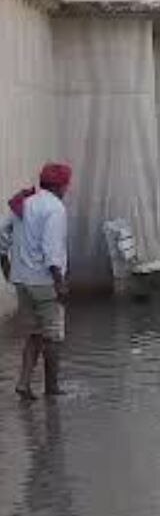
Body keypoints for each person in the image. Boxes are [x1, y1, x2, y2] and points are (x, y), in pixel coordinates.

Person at [0, 162, 72, 400]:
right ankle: (51, 387)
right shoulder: (55, 209)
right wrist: (59, 282)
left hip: (22, 281)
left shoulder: (24, 203)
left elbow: (2, 233)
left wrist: (6, 266)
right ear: (61, 185)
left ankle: (23, 383)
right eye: (66, 184)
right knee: (52, 336)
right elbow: (51, 251)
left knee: (34, 333)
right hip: (44, 283)